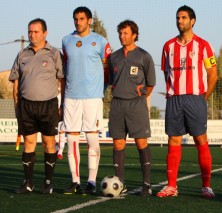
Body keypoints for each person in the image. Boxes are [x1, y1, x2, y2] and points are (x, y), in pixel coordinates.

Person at [156, 5, 218, 199]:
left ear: (192, 21)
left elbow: (213, 75)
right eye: (177, 18)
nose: (180, 21)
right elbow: (166, 72)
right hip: (174, 99)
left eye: (183, 18)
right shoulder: (168, 46)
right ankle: (172, 186)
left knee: (201, 139)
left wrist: (202, 97)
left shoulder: (204, 45)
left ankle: (206, 186)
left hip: (195, 98)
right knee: (173, 140)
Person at [9, 18, 65, 194]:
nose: (32, 35)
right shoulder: (22, 55)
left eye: (36, 32)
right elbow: (16, 83)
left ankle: (47, 183)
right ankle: (28, 183)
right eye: (30, 32)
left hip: (48, 105)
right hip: (26, 106)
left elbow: (62, 80)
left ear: (45, 33)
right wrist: (17, 105)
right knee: (29, 143)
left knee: (49, 143)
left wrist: (62, 104)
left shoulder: (54, 53)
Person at [62, 6, 111, 195]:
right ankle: (75, 181)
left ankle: (91, 181)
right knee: (71, 139)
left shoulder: (100, 41)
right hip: (71, 96)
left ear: (89, 20)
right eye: (75, 18)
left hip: (92, 97)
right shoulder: (66, 40)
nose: (78, 22)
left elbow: (107, 68)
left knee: (92, 138)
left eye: (81, 18)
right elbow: (65, 70)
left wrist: (103, 89)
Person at [108, 20, 156, 196]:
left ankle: (146, 184)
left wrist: (142, 92)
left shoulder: (144, 56)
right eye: (120, 33)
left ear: (134, 34)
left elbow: (151, 83)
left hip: (137, 105)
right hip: (117, 104)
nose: (122, 36)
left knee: (141, 142)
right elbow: (111, 80)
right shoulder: (114, 57)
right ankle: (120, 184)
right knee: (118, 143)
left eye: (126, 33)